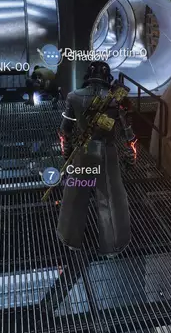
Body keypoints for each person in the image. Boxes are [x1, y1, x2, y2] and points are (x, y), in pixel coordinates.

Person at [57, 61, 137, 254]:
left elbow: (64, 132)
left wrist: (66, 153)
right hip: (107, 154)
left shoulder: (74, 96)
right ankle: (115, 242)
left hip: (83, 153)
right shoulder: (116, 98)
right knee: (110, 198)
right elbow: (129, 134)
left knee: (76, 196)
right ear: (107, 76)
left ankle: (69, 238)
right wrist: (131, 157)